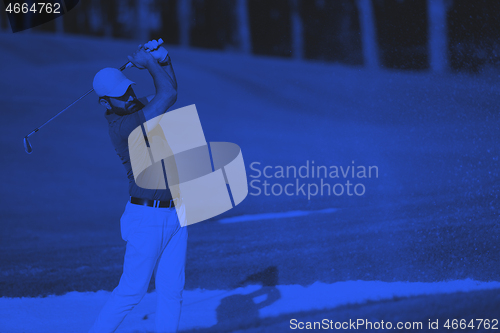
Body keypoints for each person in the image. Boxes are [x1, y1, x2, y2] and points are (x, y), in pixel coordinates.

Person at [89, 40, 187, 333]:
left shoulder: (137, 108)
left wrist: (164, 59)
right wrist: (150, 63)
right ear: (106, 103)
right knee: (132, 291)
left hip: (177, 212)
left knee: (172, 292)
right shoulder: (123, 127)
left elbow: (171, 93)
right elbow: (167, 93)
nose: (130, 96)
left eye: (130, 89)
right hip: (147, 218)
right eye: (121, 95)